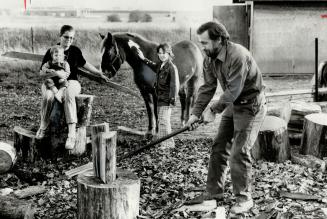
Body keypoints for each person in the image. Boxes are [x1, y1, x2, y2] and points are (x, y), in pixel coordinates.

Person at [185, 21, 267, 214]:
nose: (202, 47)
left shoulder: (238, 55)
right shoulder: (209, 58)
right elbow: (207, 88)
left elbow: (234, 89)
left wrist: (213, 110)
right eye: (200, 43)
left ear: (219, 39)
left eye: (204, 43)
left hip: (251, 105)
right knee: (219, 146)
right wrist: (195, 114)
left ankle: (244, 199)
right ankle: (213, 196)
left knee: (240, 151)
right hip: (233, 104)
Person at [35, 25, 110, 150]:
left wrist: (99, 73)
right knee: (48, 96)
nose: (69, 40)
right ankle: (43, 127)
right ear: (60, 36)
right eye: (66, 37)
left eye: (71, 38)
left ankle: (71, 134)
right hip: (52, 82)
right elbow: (41, 73)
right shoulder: (52, 50)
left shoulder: (75, 51)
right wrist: (56, 73)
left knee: (69, 94)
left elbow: (86, 64)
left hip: (71, 82)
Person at [136, 43, 179, 149]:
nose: (162, 55)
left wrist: (172, 99)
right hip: (159, 98)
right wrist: (143, 58)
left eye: (164, 53)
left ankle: (166, 144)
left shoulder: (171, 67)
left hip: (166, 99)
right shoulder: (160, 65)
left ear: (169, 53)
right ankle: (168, 143)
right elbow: (153, 65)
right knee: (162, 121)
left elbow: (174, 84)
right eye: (159, 53)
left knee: (164, 121)